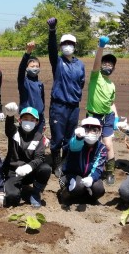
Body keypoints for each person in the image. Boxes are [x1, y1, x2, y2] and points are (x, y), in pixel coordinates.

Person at [46, 17, 86, 178]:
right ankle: (56, 164)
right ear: (61, 46)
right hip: (58, 106)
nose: (67, 46)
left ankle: (65, 162)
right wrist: (52, 31)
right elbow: (51, 48)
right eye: (64, 44)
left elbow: (81, 83)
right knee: (57, 137)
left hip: (73, 107)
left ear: (74, 46)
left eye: (70, 44)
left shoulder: (80, 64)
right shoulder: (57, 61)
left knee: (69, 138)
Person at [2, 102, 51, 208]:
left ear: (37, 122)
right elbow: (9, 128)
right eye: (25, 119)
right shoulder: (14, 132)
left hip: (29, 173)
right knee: (12, 198)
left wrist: (29, 166)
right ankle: (16, 188)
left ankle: (35, 193)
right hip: (13, 172)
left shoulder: (39, 137)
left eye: (32, 120)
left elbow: (40, 158)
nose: (28, 122)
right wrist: (10, 116)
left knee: (45, 168)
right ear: (20, 120)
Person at [85, 36, 119, 185]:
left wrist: (116, 117)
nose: (107, 66)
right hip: (93, 116)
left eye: (110, 64)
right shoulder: (95, 76)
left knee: (108, 144)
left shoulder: (112, 85)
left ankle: (110, 172)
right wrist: (100, 47)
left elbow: (112, 102)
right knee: (91, 142)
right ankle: (89, 167)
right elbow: (96, 63)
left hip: (108, 117)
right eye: (105, 63)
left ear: (113, 68)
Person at [58, 117, 107, 205]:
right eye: (87, 130)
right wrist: (78, 138)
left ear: (99, 132)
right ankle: (65, 194)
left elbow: (98, 167)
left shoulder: (102, 148)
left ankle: (89, 198)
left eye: (94, 130)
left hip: (89, 176)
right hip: (71, 174)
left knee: (99, 189)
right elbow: (74, 146)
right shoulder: (77, 142)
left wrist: (92, 178)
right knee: (77, 186)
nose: (91, 133)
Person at [17, 41, 46, 133]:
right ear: (27, 68)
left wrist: (43, 120)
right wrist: (28, 52)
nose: (35, 68)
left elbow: (42, 102)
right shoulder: (23, 82)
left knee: (37, 142)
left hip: (39, 118)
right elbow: (21, 69)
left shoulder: (40, 84)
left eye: (37, 66)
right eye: (32, 66)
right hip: (27, 117)